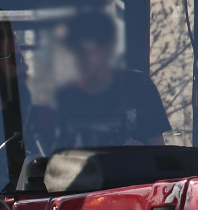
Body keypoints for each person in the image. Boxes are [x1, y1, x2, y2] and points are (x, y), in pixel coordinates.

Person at [55, 11, 171, 148]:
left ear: (107, 49)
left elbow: (158, 147)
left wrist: (140, 153)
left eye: (85, 52)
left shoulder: (139, 86)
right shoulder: (65, 96)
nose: (78, 60)